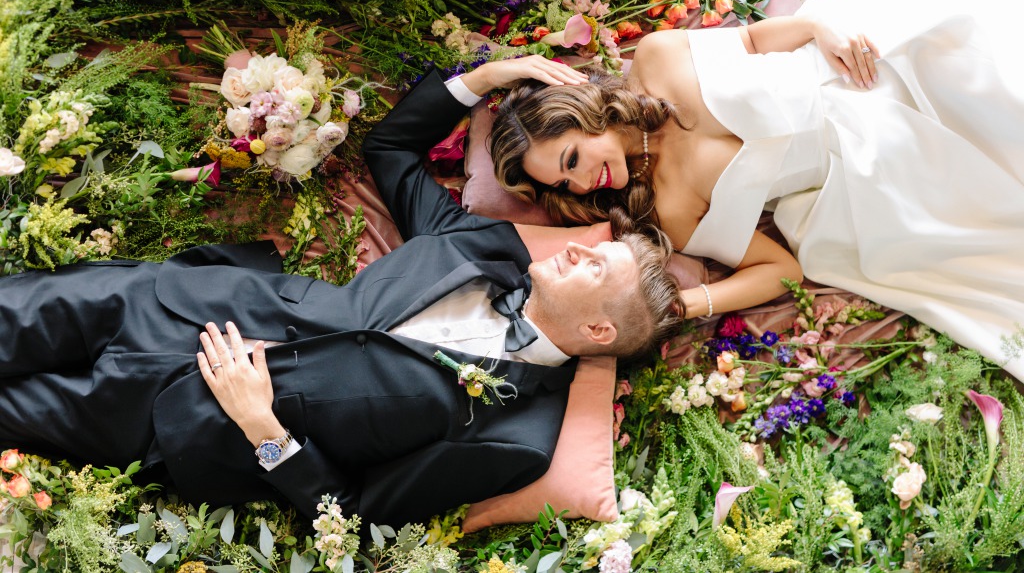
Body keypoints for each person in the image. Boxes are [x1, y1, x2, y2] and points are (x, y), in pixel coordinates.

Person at [0, 68, 684, 527]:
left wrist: (263, 427)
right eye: (595, 242)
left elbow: (353, 512)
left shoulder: (518, 438)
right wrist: (491, 76)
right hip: (167, 300)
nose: (572, 245)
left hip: (175, 416)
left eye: (596, 264)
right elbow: (392, 148)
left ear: (598, 330)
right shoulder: (483, 244)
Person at [482, 0, 1024, 378]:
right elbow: (780, 270)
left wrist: (817, 28)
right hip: (863, 161)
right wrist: (688, 305)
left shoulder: (658, 55)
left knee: (977, 70)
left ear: (584, 114)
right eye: (564, 183)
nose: (581, 185)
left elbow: (755, 43)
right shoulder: (666, 209)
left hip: (849, 65)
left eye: (572, 158)